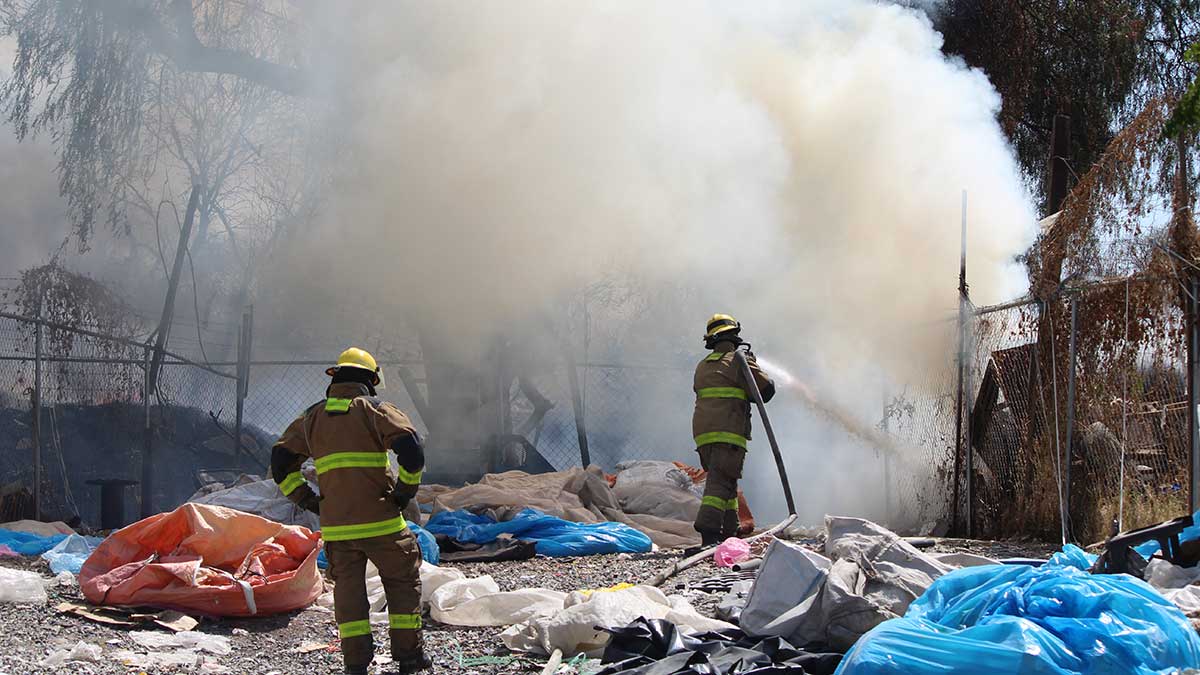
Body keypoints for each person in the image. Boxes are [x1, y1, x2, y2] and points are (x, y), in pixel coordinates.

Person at [271, 347, 430, 675]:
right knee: (402, 583)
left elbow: (281, 462)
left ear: (336, 378)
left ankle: (355, 664)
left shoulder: (311, 418)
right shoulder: (376, 410)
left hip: (338, 529)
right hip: (383, 523)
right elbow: (412, 450)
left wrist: (308, 499)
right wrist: (404, 492)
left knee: (348, 595)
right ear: (370, 380)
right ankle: (409, 658)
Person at [690, 314, 775, 553]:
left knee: (726, 482)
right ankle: (708, 532)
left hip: (703, 435)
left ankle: (730, 532)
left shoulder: (703, 366)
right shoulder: (739, 361)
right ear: (734, 335)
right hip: (728, 433)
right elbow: (766, 391)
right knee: (719, 483)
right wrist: (752, 364)